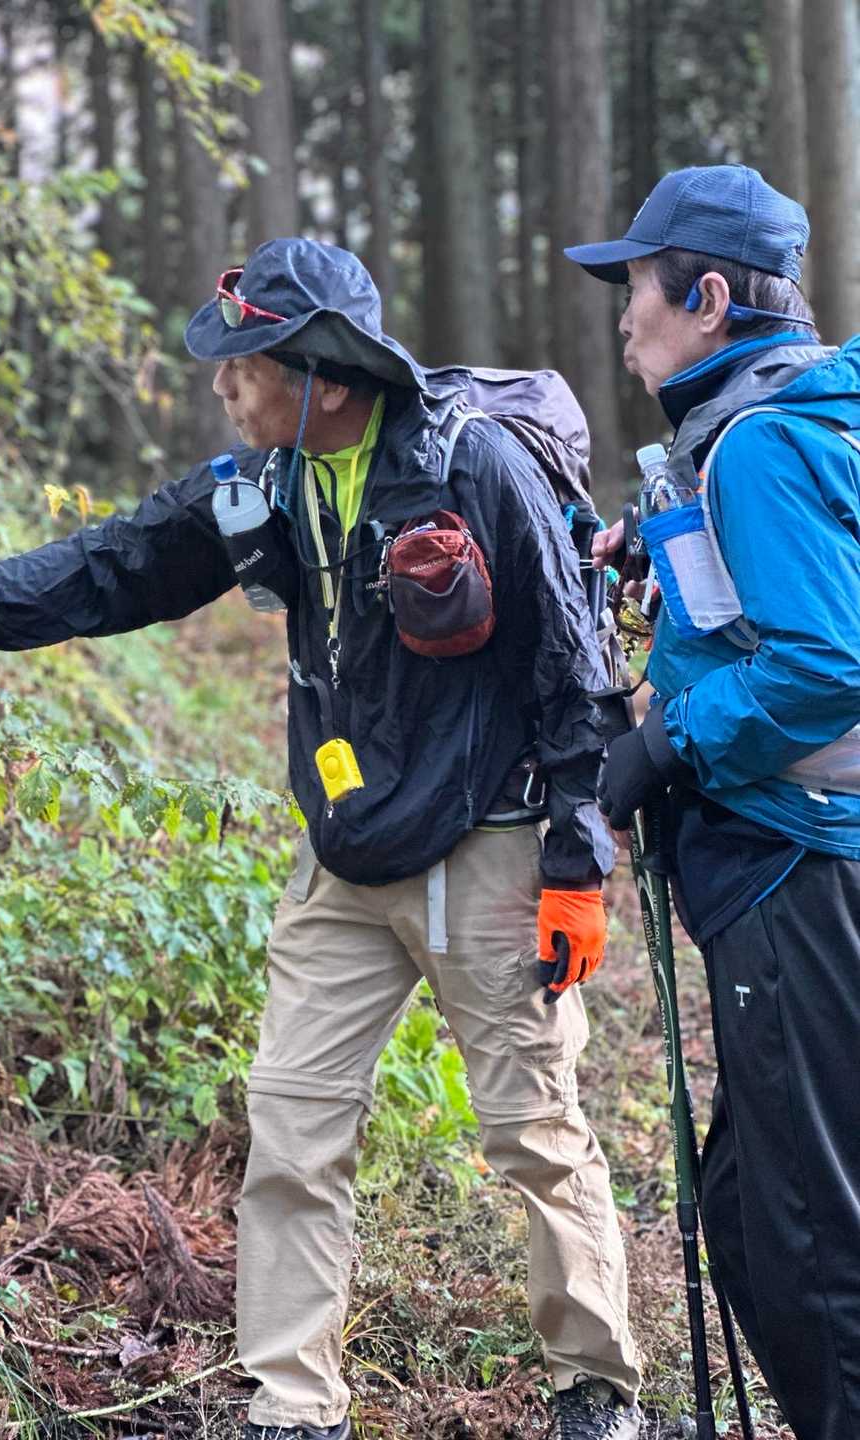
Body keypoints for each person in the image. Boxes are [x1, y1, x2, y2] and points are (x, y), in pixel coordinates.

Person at [0, 239, 642, 1440]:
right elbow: (111, 566)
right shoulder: (262, 483)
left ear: (324, 377)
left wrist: (576, 867)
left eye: (247, 365)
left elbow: (574, 671)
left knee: (534, 1133)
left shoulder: (472, 466)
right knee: (291, 1128)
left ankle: (595, 1385)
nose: (225, 385)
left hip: (489, 843)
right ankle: (293, 1404)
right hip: (345, 851)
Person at [566, 164, 860, 1440]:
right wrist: (662, 567)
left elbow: (828, 663)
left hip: (800, 868)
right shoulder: (783, 422)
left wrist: (668, 741)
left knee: (804, 1237)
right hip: (806, 866)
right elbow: (770, 612)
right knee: (750, 1204)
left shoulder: (762, 446)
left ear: (708, 299)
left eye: (638, 285)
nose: (624, 314)